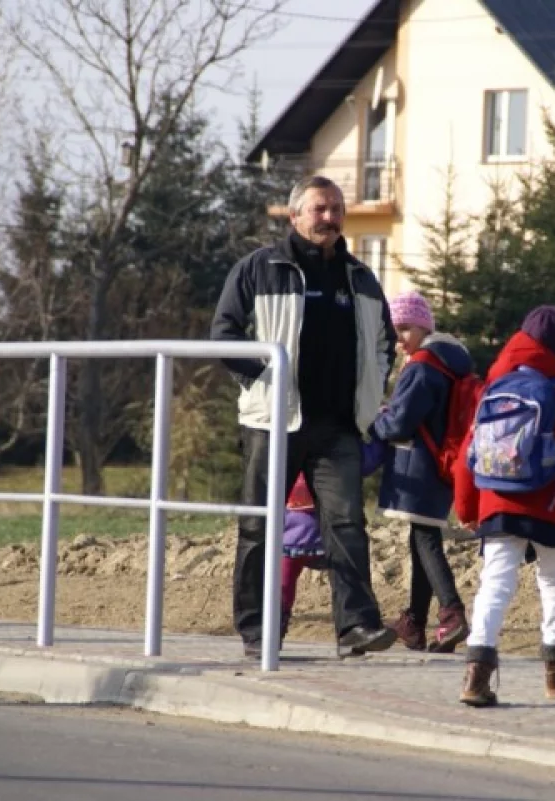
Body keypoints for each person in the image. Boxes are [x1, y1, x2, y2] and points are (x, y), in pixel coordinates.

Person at [211, 175, 398, 657]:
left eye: (336, 209)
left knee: (347, 525)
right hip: (274, 422)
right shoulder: (259, 268)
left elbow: (384, 343)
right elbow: (224, 335)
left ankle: (355, 627)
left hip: (339, 426)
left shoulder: (360, 277)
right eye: (319, 209)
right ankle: (258, 630)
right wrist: (261, 378)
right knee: (259, 525)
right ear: (294, 216)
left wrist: (371, 389)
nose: (330, 217)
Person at [453, 305, 555, 707]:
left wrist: (468, 508)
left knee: (495, 581)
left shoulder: (493, 386)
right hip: (550, 502)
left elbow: (468, 455)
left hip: (498, 501)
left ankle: (476, 674)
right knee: (554, 579)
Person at [369, 290, 471, 653]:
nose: (398, 337)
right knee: (421, 539)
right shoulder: (451, 361)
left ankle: (452, 613)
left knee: (426, 541)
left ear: (423, 326)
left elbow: (400, 423)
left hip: (418, 464)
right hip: (442, 463)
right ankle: (414, 621)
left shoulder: (423, 365)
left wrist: (374, 425)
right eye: (393, 329)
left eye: (405, 328)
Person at [281, 439, 384, 644]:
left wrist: (380, 435)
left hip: (320, 535)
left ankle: (355, 626)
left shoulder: (331, 437)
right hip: (294, 536)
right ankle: (271, 630)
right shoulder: (288, 440)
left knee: (347, 578)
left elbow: (363, 461)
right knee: (281, 587)